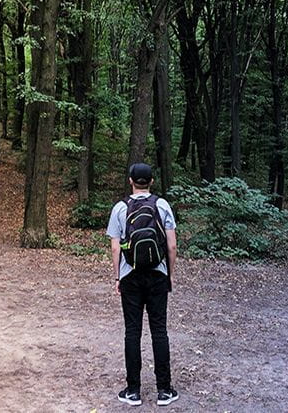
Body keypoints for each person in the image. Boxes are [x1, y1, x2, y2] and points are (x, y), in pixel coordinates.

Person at [107, 162, 179, 407]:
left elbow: (115, 248)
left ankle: (133, 391)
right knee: (159, 330)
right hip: (158, 274)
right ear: (151, 181)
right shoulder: (162, 205)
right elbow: (172, 245)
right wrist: (169, 274)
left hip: (130, 276)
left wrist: (118, 277)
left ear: (130, 181)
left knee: (132, 331)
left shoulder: (120, 208)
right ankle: (164, 390)